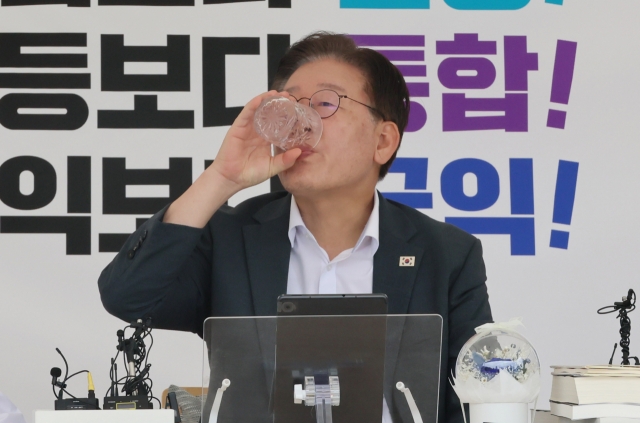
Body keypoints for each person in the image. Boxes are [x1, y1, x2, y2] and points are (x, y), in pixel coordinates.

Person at [98, 31, 492, 423]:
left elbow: (479, 400)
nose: (301, 123)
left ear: (383, 141)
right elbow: (127, 296)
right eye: (290, 105)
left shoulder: (448, 255)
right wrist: (222, 177)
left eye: (324, 103)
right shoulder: (230, 240)